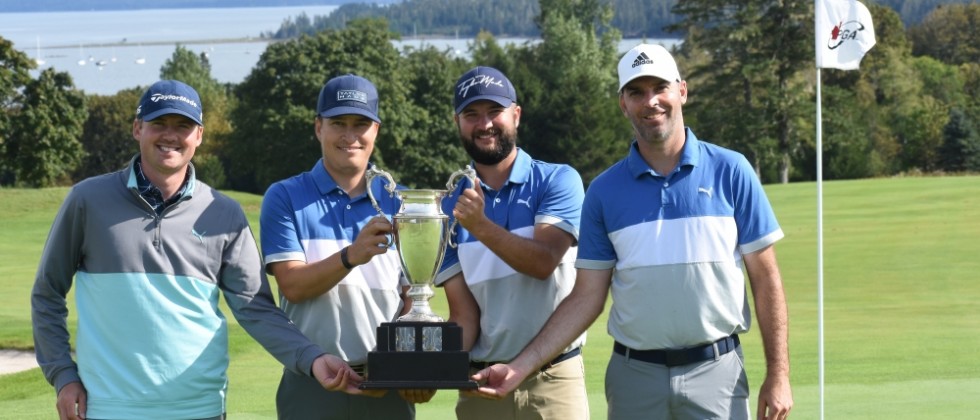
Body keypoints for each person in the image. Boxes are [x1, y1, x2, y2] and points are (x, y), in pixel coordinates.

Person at [470, 44, 794, 420]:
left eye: (660, 87)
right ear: (623, 104)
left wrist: (779, 374)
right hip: (633, 377)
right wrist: (520, 367)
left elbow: (766, 278)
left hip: (716, 372)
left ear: (682, 91)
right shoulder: (604, 191)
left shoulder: (731, 171)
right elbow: (586, 297)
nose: (651, 101)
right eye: (636, 92)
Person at [31, 80, 367, 420]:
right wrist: (62, 375)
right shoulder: (88, 200)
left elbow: (256, 309)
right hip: (108, 408)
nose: (170, 136)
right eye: (159, 124)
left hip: (200, 409)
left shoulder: (224, 212)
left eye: (183, 126)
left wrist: (312, 358)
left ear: (199, 135)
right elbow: (47, 294)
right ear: (137, 129)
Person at [259, 74, 420, 419]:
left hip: (387, 387)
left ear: (375, 130)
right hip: (312, 383)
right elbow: (293, 286)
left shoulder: (401, 201)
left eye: (361, 124)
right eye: (338, 123)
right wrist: (351, 256)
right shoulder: (285, 196)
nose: (350, 136)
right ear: (319, 128)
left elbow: (412, 298)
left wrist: (402, 362)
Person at [433, 66, 588, 419]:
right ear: (457, 122)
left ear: (515, 115)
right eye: (471, 114)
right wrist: (424, 366)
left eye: (494, 111)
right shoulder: (446, 208)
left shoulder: (557, 180)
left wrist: (480, 226)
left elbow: (544, 261)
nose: (484, 123)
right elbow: (465, 316)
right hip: (480, 385)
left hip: (553, 378)